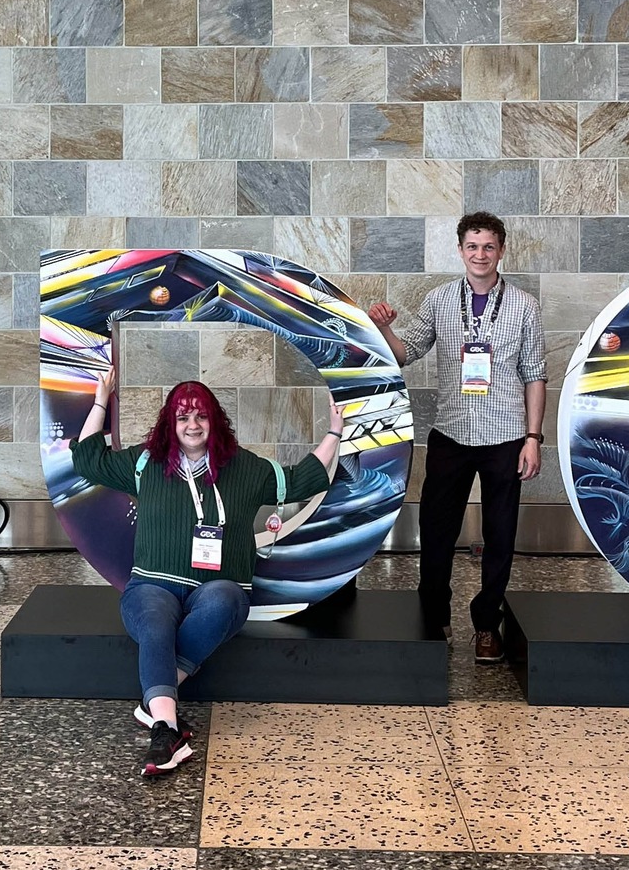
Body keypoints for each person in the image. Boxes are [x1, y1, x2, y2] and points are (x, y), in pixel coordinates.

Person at [73, 371, 344, 777]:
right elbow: (87, 459)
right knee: (153, 620)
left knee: (227, 598)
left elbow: (306, 478)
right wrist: (100, 401)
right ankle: (166, 729)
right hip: (153, 583)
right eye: (182, 417)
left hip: (215, 588)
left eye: (200, 416)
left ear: (214, 421)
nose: (192, 425)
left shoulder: (244, 468)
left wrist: (334, 431)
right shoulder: (145, 462)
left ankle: (157, 700)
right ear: (170, 423)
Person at [367, 211, 546, 663]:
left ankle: (487, 625)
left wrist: (533, 437)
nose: (480, 254)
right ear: (461, 250)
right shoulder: (440, 300)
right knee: (437, 530)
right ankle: (435, 617)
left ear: (501, 250)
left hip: (506, 435)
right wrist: (385, 327)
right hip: (452, 432)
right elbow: (405, 353)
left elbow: (535, 376)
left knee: (500, 534)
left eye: (488, 246)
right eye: (472, 246)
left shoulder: (524, 305)